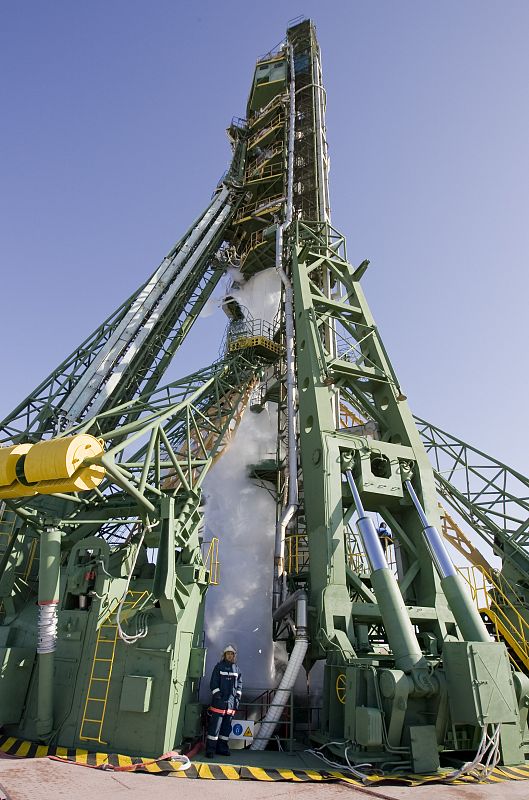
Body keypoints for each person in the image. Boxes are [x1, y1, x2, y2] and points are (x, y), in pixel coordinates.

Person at [206, 644, 242, 758]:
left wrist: (237, 698)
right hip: (219, 704)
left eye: (232, 654)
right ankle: (210, 750)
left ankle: (222, 748)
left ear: (234, 656)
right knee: (215, 728)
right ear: (224, 655)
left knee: (226, 729)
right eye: (228, 654)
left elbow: (239, 686)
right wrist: (218, 696)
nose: (230, 656)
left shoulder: (237, 669)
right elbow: (213, 683)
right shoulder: (219, 667)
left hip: (230, 705)